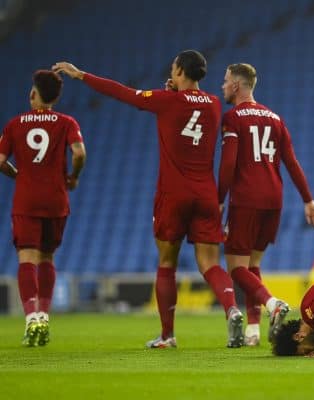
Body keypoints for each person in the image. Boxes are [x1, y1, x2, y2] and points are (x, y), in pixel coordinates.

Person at [53, 51, 248, 349]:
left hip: (174, 193)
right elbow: (189, 108)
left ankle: (168, 335)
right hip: (206, 193)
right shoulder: (213, 104)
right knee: (210, 264)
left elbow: (122, 93)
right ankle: (232, 309)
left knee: (167, 263)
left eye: (173, 67)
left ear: (180, 70)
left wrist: (81, 75)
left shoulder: (165, 100)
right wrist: (174, 91)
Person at [219, 63, 314, 346]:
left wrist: (218, 201)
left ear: (237, 86)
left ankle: (272, 302)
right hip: (274, 200)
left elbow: (228, 165)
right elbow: (291, 162)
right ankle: (253, 331)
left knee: (236, 268)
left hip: (246, 199)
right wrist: (308, 199)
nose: (223, 86)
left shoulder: (233, 118)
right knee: (253, 265)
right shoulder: (275, 118)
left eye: (226, 81)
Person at [0, 70, 86, 346]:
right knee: (48, 258)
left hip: (26, 199)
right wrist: (74, 176)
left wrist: (16, 173)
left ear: (34, 94)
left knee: (26, 259)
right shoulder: (66, 122)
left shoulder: (15, 124)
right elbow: (80, 153)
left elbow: (0, 160)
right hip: (56, 199)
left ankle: (32, 319)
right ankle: (45, 318)